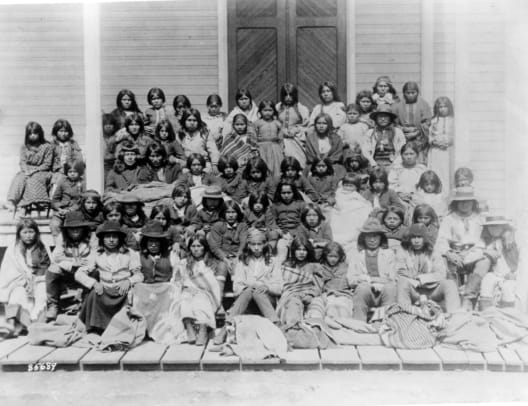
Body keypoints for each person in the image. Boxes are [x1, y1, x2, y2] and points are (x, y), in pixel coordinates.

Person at [77, 221, 143, 334]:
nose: (111, 240)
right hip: (105, 290)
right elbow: (79, 274)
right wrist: (94, 283)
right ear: (102, 239)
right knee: (93, 294)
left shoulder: (129, 253)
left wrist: (129, 281)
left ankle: (121, 326)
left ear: (120, 239)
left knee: (133, 297)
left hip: (123, 291)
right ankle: (97, 327)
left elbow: (139, 275)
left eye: (115, 237)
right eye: (108, 237)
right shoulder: (96, 254)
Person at [435, 186, 485, 310]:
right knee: (444, 262)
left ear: (473, 203)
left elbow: (484, 240)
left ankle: (470, 298)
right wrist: (449, 253)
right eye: (461, 202)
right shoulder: (449, 219)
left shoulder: (480, 219)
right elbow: (441, 239)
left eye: (468, 201)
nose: (464, 204)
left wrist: (468, 254)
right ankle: (453, 300)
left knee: (482, 261)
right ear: (456, 203)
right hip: (455, 252)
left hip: (474, 252)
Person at [0, 218, 50, 333]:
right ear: (19, 234)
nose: (28, 236)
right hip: (19, 280)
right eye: (25, 232)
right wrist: (24, 281)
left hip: (39, 279)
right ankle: (17, 325)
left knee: (41, 293)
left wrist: (35, 280)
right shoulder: (13, 249)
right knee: (18, 294)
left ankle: (36, 324)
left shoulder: (42, 247)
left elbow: (45, 266)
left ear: (36, 233)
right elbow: (9, 270)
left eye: (31, 232)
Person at [396, 223, 460, 313]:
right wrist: (413, 278)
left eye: (419, 237)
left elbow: (441, 274)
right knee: (402, 282)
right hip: (414, 291)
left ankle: (454, 314)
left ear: (425, 238)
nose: (416, 241)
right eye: (413, 237)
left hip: (432, 291)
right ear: (409, 239)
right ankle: (405, 315)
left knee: (449, 283)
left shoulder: (433, 251)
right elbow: (400, 271)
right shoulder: (403, 251)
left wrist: (420, 278)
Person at [46, 211, 95, 321]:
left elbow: (94, 257)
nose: (76, 230)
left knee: (96, 271)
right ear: (66, 229)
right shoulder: (61, 237)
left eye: (79, 227)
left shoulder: (92, 237)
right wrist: (72, 262)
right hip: (68, 270)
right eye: (72, 228)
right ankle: (53, 305)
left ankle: (86, 304)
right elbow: (57, 257)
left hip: (86, 270)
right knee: (52, 269)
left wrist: (82, 267)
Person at [227, 229, 282, 323]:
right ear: (248, 245)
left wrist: (267, 287)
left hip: (267, 300)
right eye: (253, 244)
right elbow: (237, 286)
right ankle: (275, 321)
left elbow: (279, 287)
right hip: (247, 301)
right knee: (250, 290)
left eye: (259, 244)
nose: (256, 247)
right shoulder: (243, 261)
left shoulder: (273, 261)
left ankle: (275, 322)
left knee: (257, 291)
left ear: (264, 244)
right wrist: (250, 287)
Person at [348, 218, 397, 322]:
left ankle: (387, 324)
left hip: (384, 292)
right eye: (368, 236)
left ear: (381, 238)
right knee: (362, 288)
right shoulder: (356, 255)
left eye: (375, 236)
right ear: (363, 238)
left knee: (390, 288)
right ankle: (359, 323)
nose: (372, 240)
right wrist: (368, 281)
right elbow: (351, 280)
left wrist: (372, 280)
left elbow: (393, 279)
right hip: (366, 293)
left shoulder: (389, 254)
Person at [179, 235, 224, 345]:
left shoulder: (212, 263)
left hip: (208, 293)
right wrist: (187, 288)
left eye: (199, 246)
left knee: (200, 300)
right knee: (185, 299)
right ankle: (189, 328)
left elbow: (214, 284)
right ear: (189, 248)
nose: (196, 249)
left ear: (204, 247)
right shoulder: (184, 263)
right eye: (193, 246)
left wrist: (200, 290)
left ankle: (203, 329)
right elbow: (178, 280)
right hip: (188, 291)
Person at [6, 121, 54, 212]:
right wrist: (26, 170)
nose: (32, 135)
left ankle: (31, 203)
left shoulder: (47, 146)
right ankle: (12, 202)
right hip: (27, 170)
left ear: (40, 133)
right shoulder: (24, 147)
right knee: (19, 177)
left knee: (33, 178)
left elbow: (47, 164)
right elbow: (22, 162)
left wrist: (34, 170)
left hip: (43, 171)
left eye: (35, 133)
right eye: (30, 134)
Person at [277, 237, 324, 326]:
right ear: (293, 251)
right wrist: (296, 294)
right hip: (292, 295)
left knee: (317, 306)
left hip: (309, 295)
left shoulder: (314, 266)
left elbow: (319, 286)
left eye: (304, 250)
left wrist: (311, 295)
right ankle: (294, 328)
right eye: (298, 249)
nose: (301, 252)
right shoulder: (287, 265)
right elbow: (285, 285)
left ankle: (315, 329)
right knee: (293, 303)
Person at [477, 215, 520, 310]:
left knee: (507, 288)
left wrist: (516, 274)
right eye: (490, 227)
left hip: (513, 274)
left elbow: (522, 260)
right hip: (497, 273)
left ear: (504, 227)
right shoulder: (492, 241)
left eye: (497, 226)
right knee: (487, 280)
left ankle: (508, 313)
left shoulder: (513, 240)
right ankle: (486, 311)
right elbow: (479, 251)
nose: (493, 229)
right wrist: (485, 251)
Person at [308, 242, 353, 320]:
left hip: (343, 295)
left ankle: (343, 323)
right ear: (325, 256)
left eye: (335, 257)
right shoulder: (321, 268)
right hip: (328, 295)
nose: (333, 259)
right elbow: (318, 286)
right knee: (331, 308)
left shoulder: (345, 267)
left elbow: (350, 282)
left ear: (340, 256)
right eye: (330, 256)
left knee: (343, 309)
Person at [330, 174, 372, 253]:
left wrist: (365, 204)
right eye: (346, 185)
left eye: (351, 186)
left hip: (353, 209)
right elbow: (338, 201)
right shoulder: (339, 192)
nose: (348, 188)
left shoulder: (355, 194)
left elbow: (362, 201)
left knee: (362, 209)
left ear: (356, 187)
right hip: (342, 210)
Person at [392, 82, 432, 164]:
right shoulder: (398, 106)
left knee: (419, 160)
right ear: (404, 93)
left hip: (419, 137)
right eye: (408, 93)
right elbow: (394, 123)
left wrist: (416, 132)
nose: (410, 95)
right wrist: (403, 129)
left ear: (417, 93)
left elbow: (427, 122)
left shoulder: (424, 104)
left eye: (413, 93)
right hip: (403, 135)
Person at [208, 200, 249, 273]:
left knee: (237, 268)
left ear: (238, 213)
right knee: (222, 267)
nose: (231, 215)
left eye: (233, 212)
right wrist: (225, 259)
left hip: (238, 256)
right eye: (228, 212)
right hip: (222, 257)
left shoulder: (242, 226)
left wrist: (238, 257)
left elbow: (243, 243)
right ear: (223, 213)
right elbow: (215, 246)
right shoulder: (218, 225)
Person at [50, 160, 86, 241]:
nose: (72, 174)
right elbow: (54, 200)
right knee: (54, 225)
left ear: (79, 172)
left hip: (75, 212)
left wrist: (70, 210)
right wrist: (59, 209)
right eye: (70, 171)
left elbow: (82, 201)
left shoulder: (82, 183)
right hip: (61, 211)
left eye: (75, 171)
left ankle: (70, 244)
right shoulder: (62, 182)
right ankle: (58, 245)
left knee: (70, 226)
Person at [361, 104, 405, 168]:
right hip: (375, 164)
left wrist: (394, 164)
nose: (383, 119)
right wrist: (373, 163)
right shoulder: (370, 133)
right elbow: (365, 150)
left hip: (393, 164)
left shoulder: (397, 132)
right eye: (380, 117)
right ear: (376, 119)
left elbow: (402, 150)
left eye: (386, 116)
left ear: (390, 119)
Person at [276, 83, 309, 168]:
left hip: (296, 138)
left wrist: (297, 129)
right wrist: (281, 129)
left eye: (290, 95)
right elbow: (273, 121)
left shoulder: (301, 108)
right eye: (285, 95)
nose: (288, 98)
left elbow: (307, 125)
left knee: (297, 162)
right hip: (281, 138)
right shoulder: (278, 107)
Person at [177, 108, 220, 174]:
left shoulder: (204, 133)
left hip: (203, 164)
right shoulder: (180, 134)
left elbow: (213, 150)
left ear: (198, 121)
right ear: (184, 121)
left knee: (208, 171)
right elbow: (177, 151)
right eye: (189, 120)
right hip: (187, 164)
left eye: (194, 120)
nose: (192, 123)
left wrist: (215, 164)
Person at [304, 113, 345, 177]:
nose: (321, 126)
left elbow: (338, 154)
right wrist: (319, 163)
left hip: (332, 165)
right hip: (315, 166)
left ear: (329, 124)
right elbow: (310, 155)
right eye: (319, 123)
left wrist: (327, 162)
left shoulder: (336, 138)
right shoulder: (311, 138)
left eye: (324, 123)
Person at [428, 96, 454, 191]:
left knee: (448, 172)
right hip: (437, 151)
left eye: (445, 107)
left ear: (449, 107)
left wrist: (449, 142)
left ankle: (448, 193)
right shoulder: (434, 120)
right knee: (438, 171)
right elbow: (430, 137)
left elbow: (457, 136)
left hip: (448, 151)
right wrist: (435, 142)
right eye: (440, 107)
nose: (443, 109)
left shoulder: (453, 120)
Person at [49, 119, 84, 187]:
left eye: (65, 131)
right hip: (57, 171)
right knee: (56, 183)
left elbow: (79, 159)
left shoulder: (73, 144)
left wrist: (73, 168)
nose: (63, 134)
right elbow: (49, 160)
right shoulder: (52, 145)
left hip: (71, 170)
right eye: (61, 131)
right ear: (56, 132)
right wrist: (57, 169)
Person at [254, 100, 284, 177]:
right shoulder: (257, 123)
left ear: (274, 111)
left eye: (270, 110)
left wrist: (281, 149)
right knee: (264, 166)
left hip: (275, 149)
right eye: (265, 110)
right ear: (260, 111)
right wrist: (256, 149)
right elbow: (254, 137)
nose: (267, 113)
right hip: (262, 149)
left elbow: (280, 138)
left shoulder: (277, 123)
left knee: (276, 167)